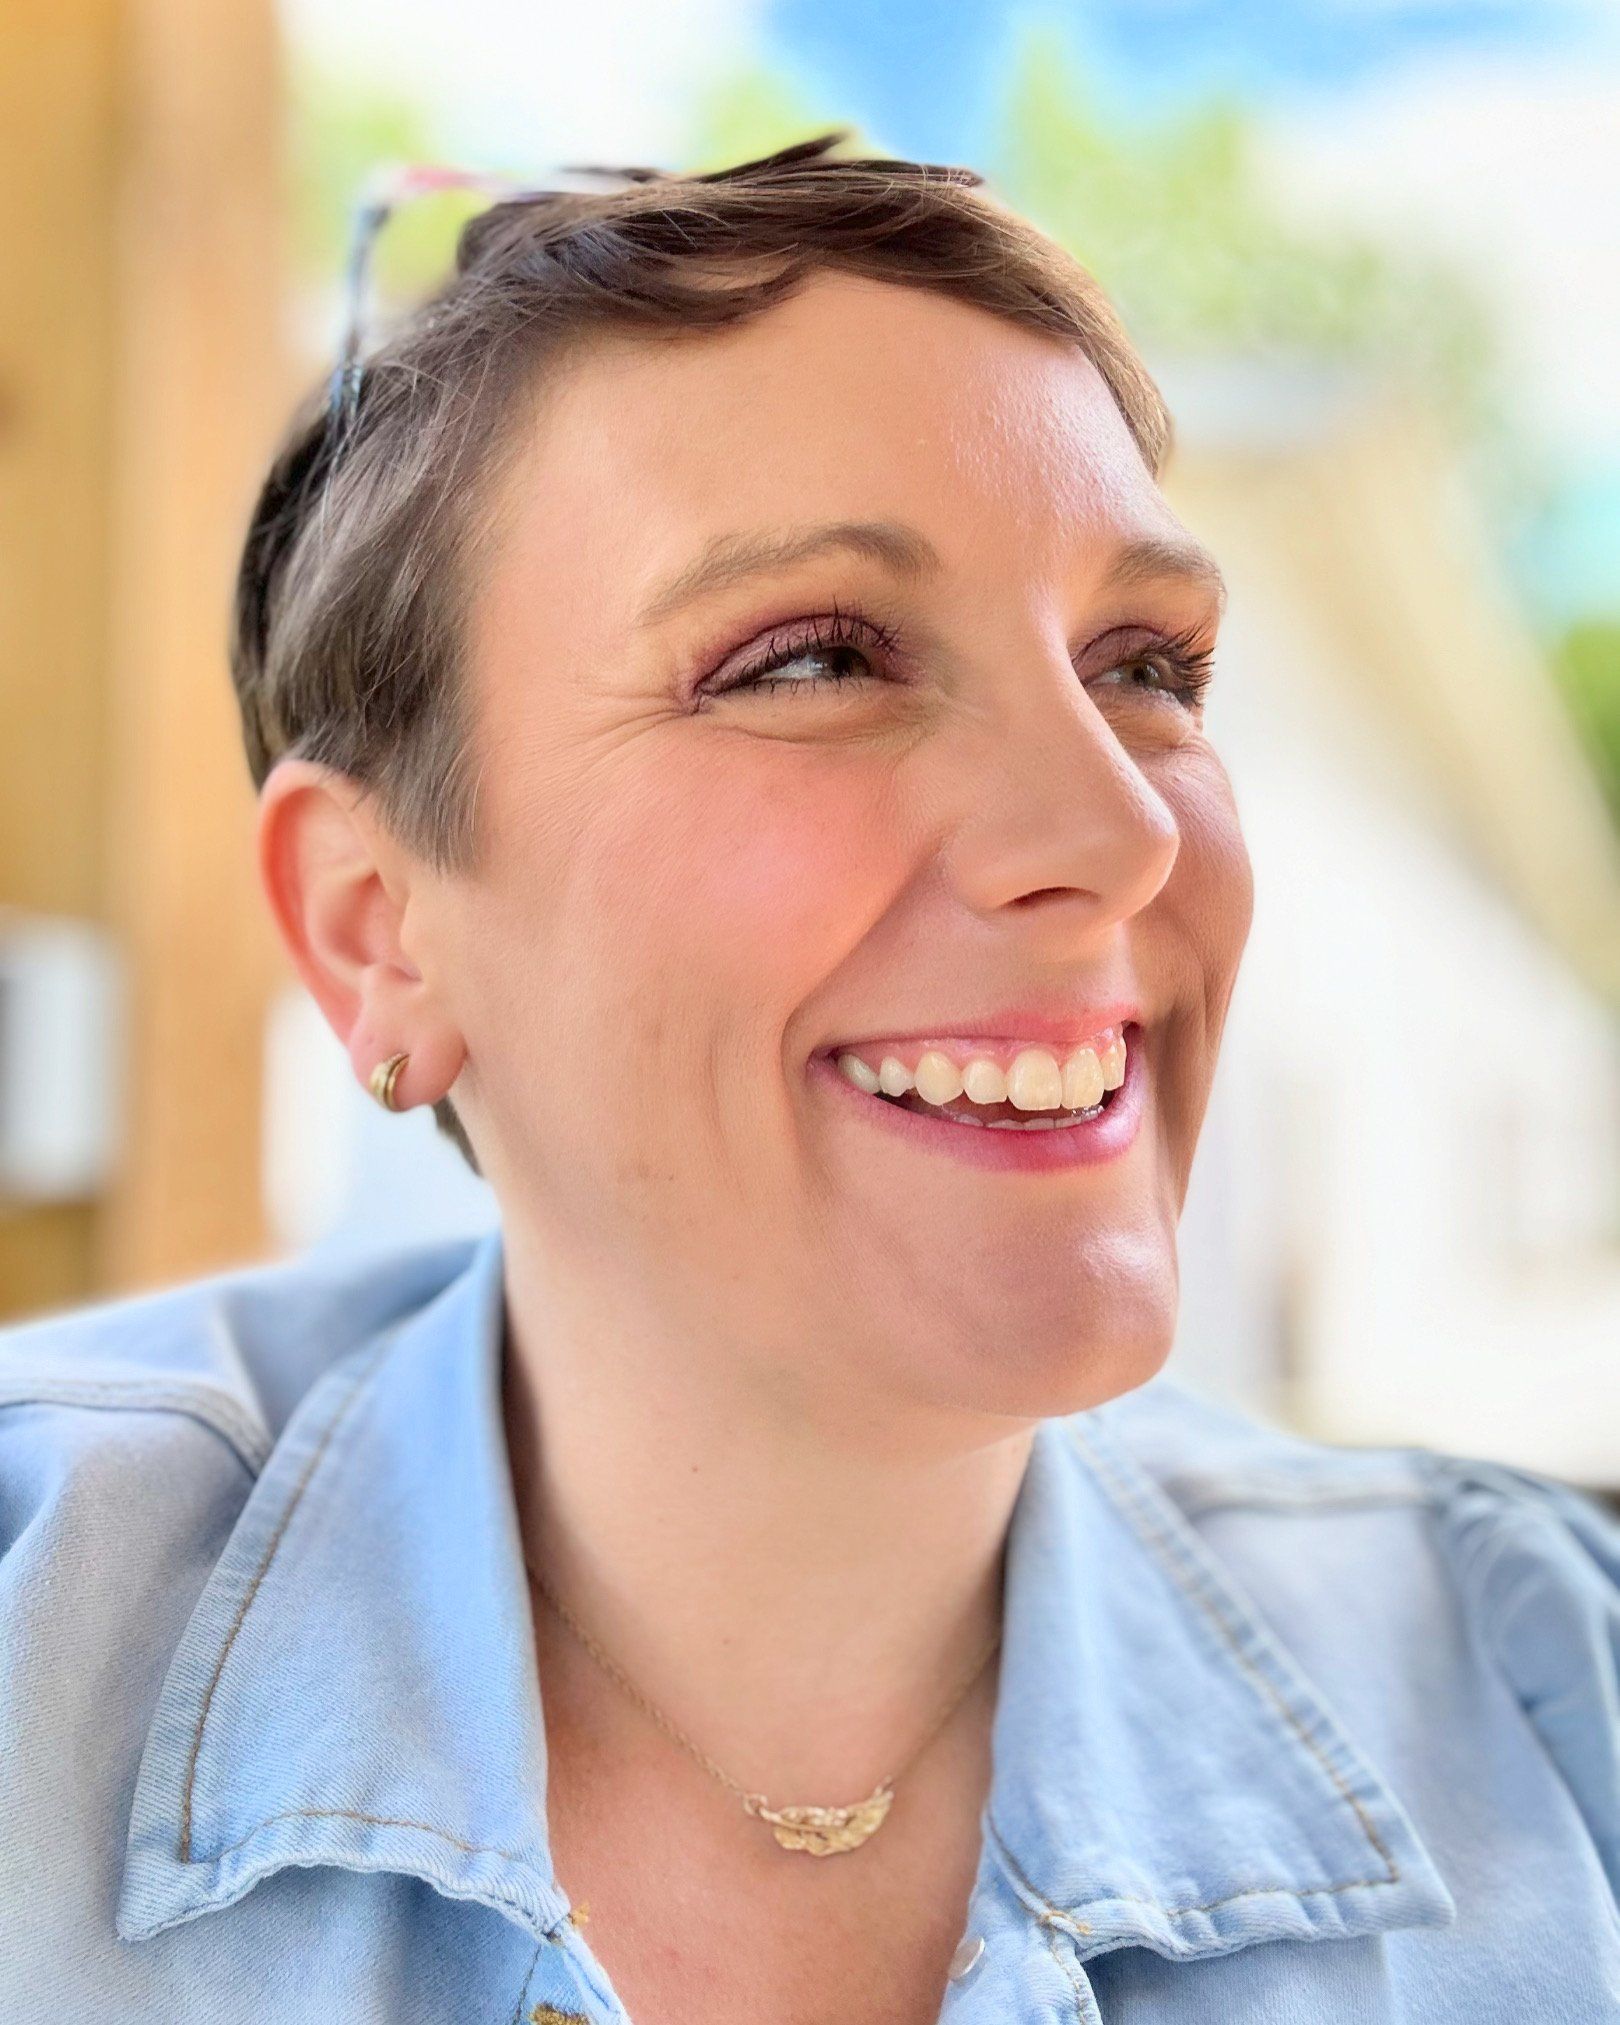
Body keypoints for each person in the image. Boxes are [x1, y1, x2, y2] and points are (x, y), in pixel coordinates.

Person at [1, 132, 1617, 2025]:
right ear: (378, 928)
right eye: (815, 656)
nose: (1113, 827)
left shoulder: (1552, 1699)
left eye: (1146, 665)